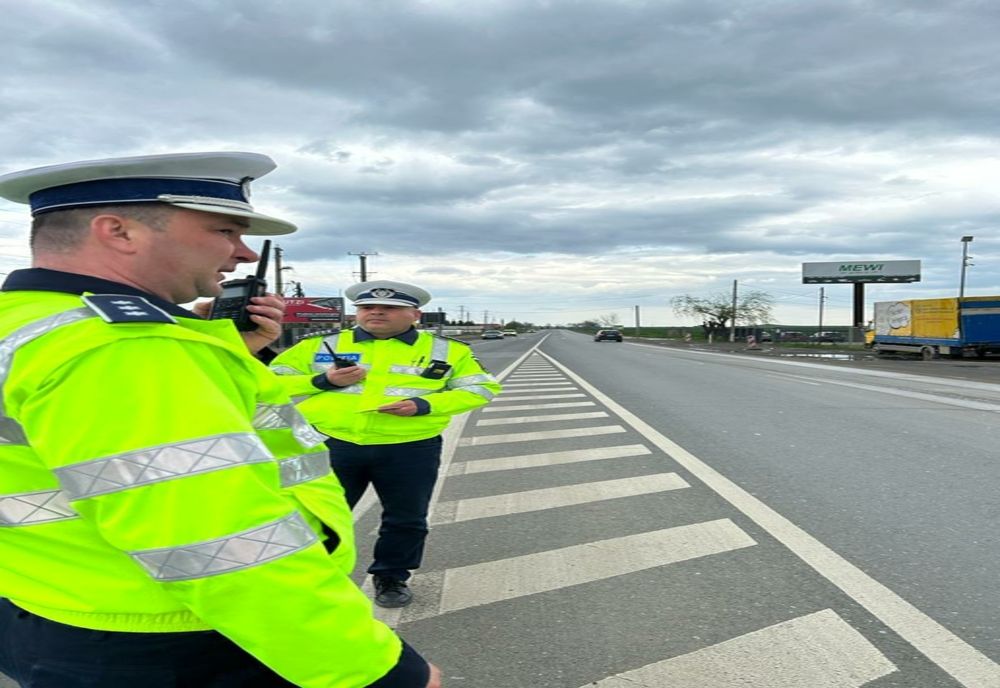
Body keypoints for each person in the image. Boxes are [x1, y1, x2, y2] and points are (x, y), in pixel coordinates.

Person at [0, 152, 440, 688]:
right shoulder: (126, 349)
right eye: (225, 230)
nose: (244, 252)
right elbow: (221, 544)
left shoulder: (29, 322)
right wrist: (375, 671)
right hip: (169, 635)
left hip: (47, 601)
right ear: (118, 231)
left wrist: (228, 348)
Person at [271, 281, 501, 608]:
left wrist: (424, 405)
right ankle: (312, 578)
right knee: (318, 515)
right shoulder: (321, 344)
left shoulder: (449, 350)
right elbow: (268, 382)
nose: (376, 312)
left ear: (415, 315)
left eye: (390, 308)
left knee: (406, 518)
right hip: (331, 443)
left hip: (409, 447)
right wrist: (322, 380)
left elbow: (482, 388)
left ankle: (391, 577)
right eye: (367, 307)